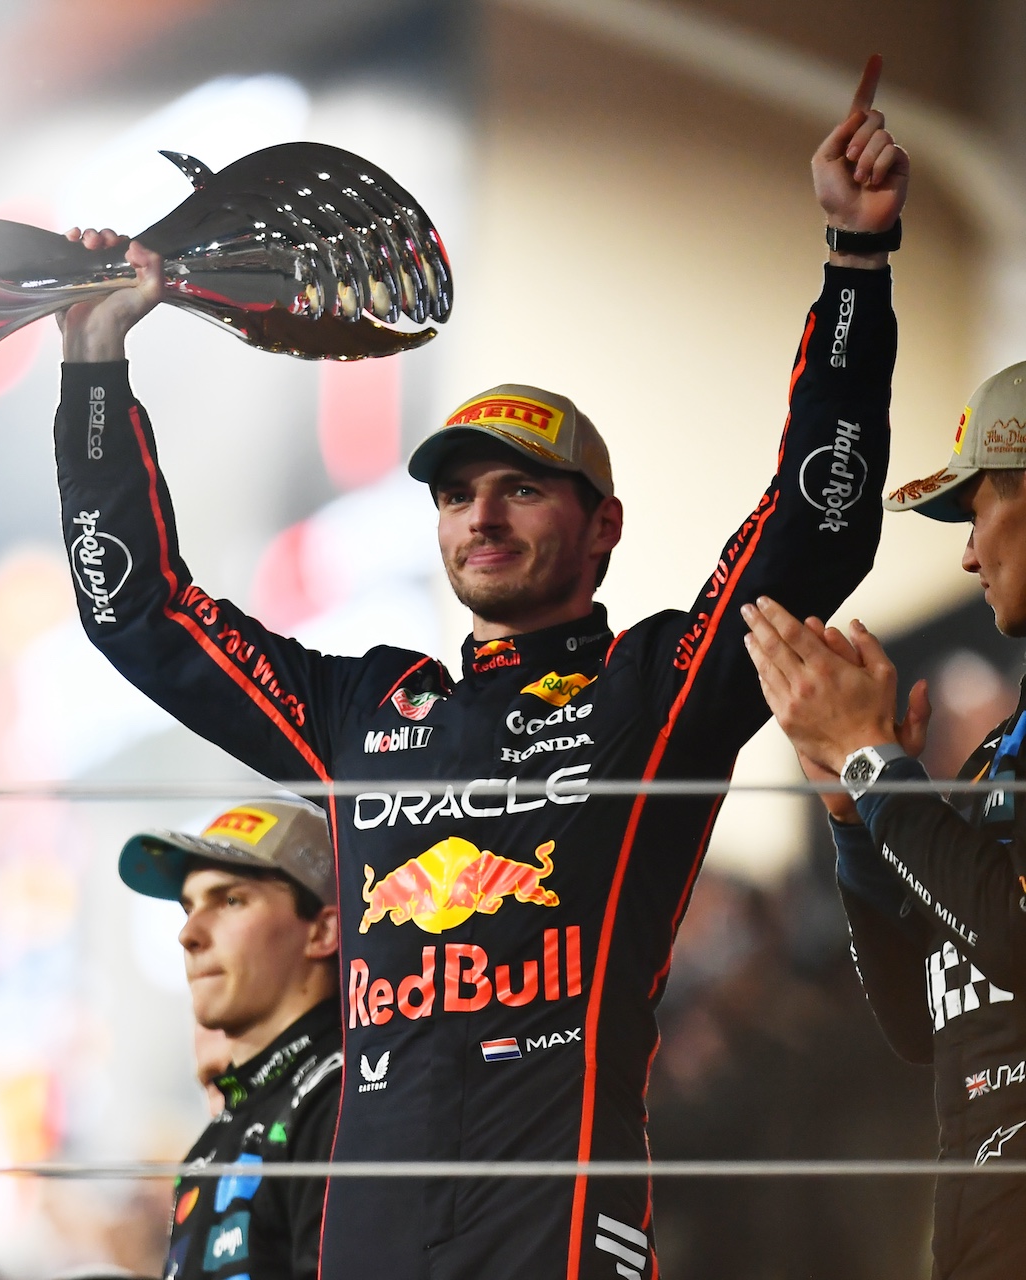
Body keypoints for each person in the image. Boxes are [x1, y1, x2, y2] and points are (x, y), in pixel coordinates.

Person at [51, 59, 908, 1278]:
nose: (481, 517)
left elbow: (817, 526)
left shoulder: (655, 686)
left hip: (551, 1233)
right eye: (457, 495)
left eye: (520, 488)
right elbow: (137, 614)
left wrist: (857, 266)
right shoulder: (362, 706)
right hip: (374, 1238)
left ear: (602, 525)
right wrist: (94, 367)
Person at [742, 360, 1026, 1280]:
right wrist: (857, 820)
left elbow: (1016, 935)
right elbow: (920, 1023)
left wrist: (878, 764)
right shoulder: (999, 754)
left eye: (977, 511)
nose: (969, 554)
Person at [120, 798, 341, 1280]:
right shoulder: (215, 1137)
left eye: (230, 900)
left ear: (322, 930)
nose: (188, 933)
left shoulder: (347, 1101)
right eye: (188, 906)